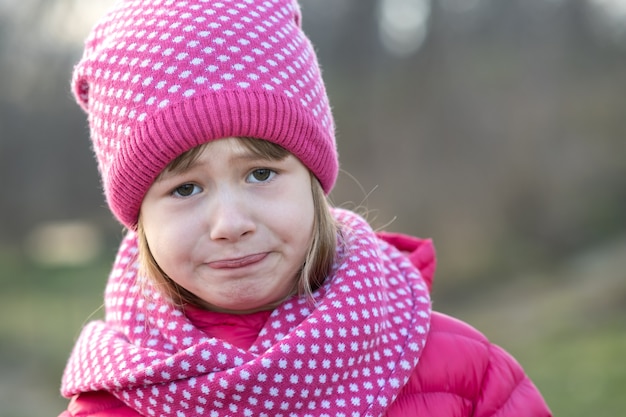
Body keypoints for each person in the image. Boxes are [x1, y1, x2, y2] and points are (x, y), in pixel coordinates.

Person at [58, 0, 552, 416]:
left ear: (313, 182)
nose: (231, 224)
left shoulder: (468, 377)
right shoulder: (111, 403)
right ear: (139, 218)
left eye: (261, 173)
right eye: (186, 189)